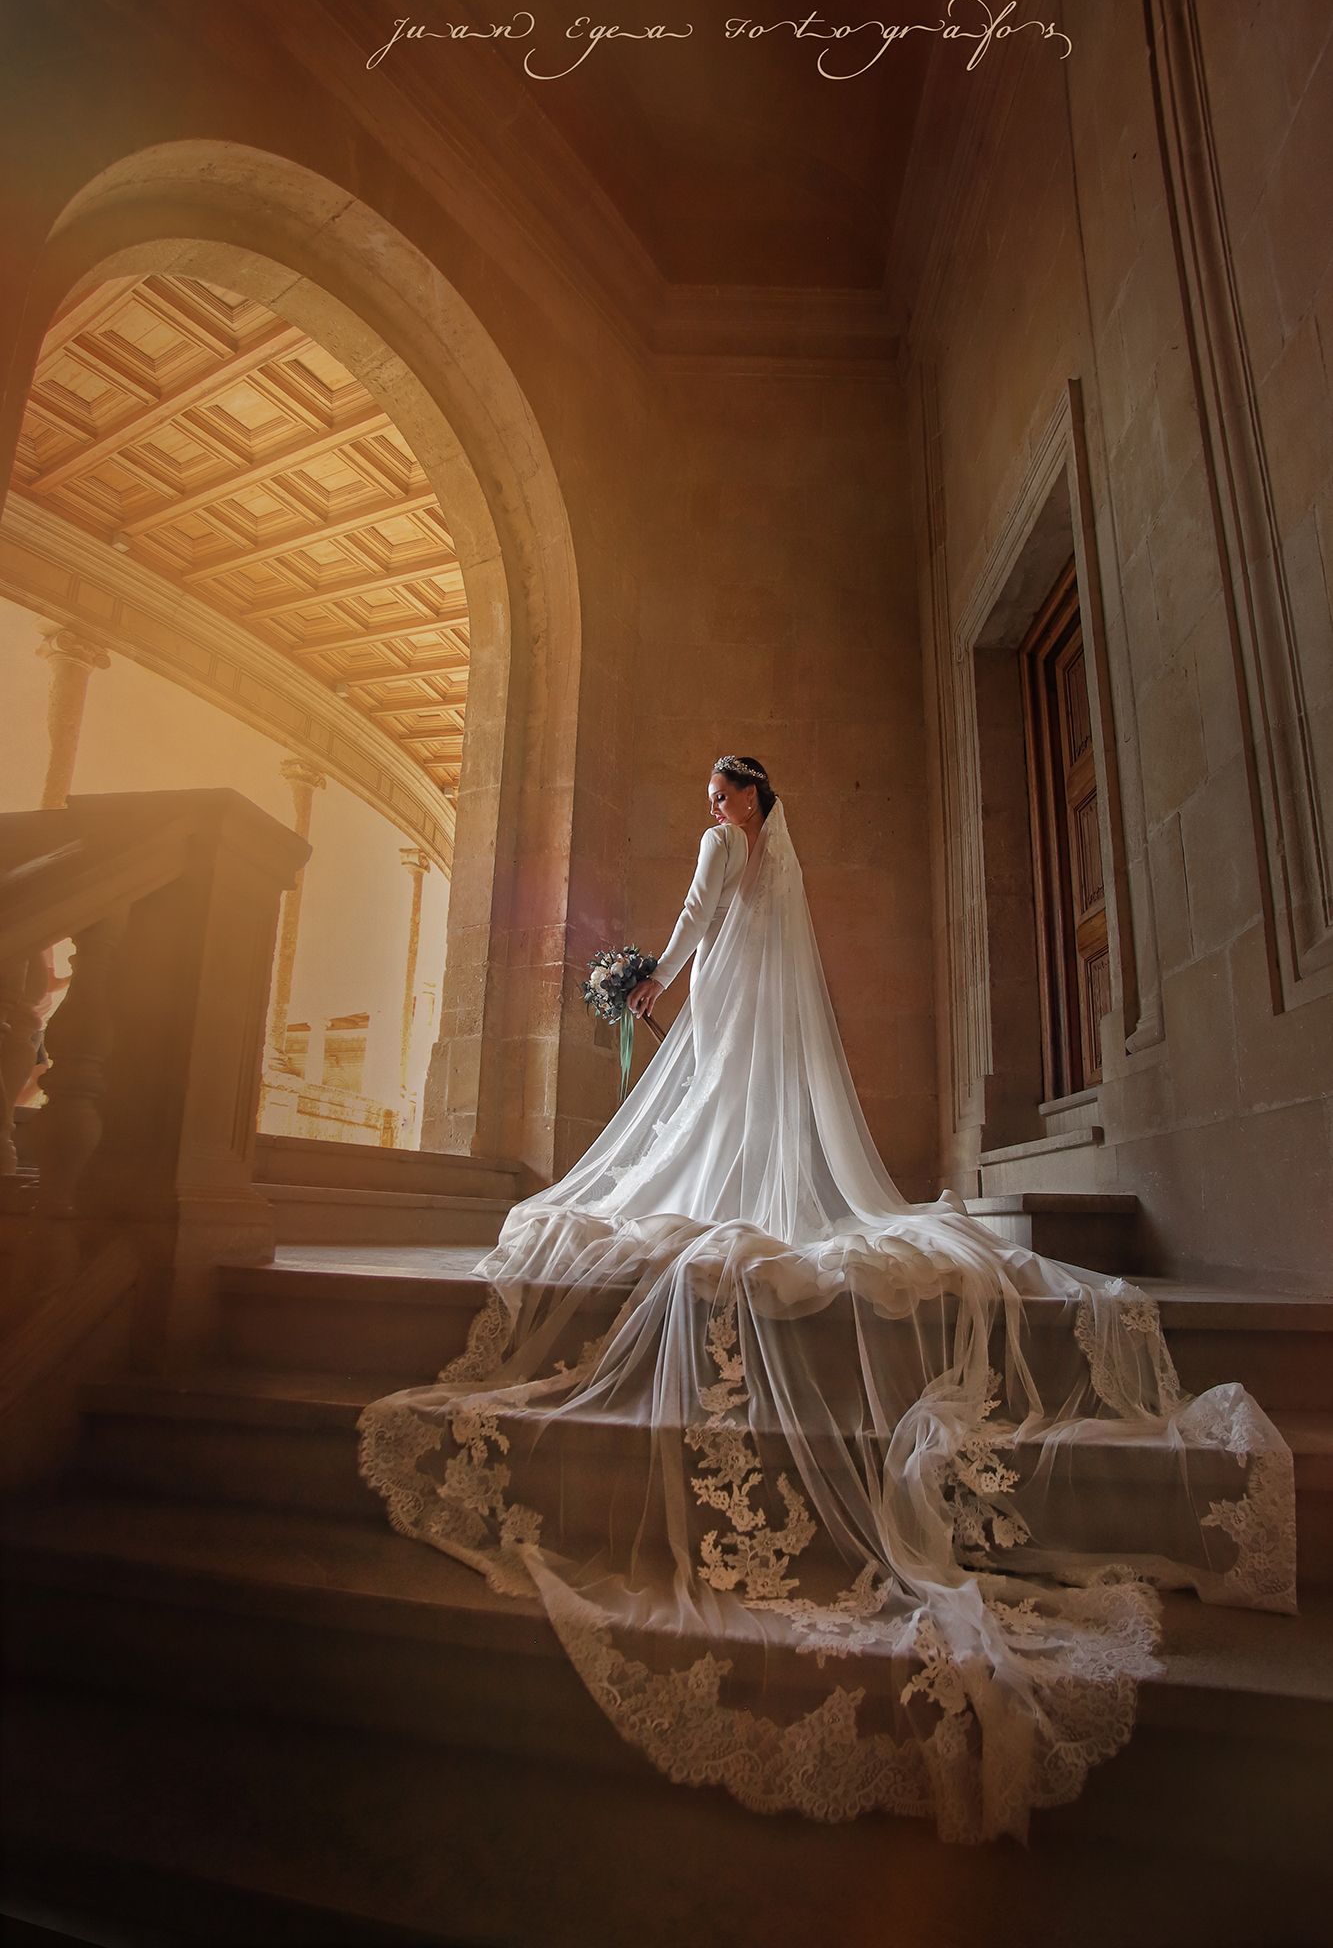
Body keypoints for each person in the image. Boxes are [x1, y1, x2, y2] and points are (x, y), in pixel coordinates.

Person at [359, 755, 1296, 1845]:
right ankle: (740, 1189)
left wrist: (651, 974)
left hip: (726, 998)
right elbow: (738, 925)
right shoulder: (777, 866)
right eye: (713, 796)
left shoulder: (724, 851)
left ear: (749, 797)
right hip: (757, 1008)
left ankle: (723, 1191)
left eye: (723, 791)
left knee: (691, 1142)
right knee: (734, 1128)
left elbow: (699, 914)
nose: (713, 807)